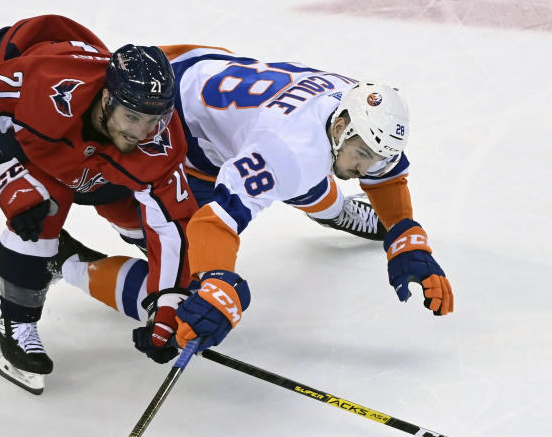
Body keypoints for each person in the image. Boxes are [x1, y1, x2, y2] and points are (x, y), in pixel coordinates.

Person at [52, 44, 453, 359]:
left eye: (374, 159)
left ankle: (337, 211)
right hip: (173, 125)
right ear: (342, 127)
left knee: (309, 178)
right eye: (363, 157)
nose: (369, 170)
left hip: (205, 69)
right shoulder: (289, 152)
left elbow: (385, 173)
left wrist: (403, 233)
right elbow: (214, 223)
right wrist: (216, 282)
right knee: (178, 291)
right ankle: (64, 260)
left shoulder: (356, 109)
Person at [0, 15, 198, 393]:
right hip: (34, 132)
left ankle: (76, 259)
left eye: (154, 120)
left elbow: (173, 225)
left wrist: (168, 302)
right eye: (133, 117)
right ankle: (15, 325)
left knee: (138, 216)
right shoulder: (41, 83)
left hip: (92, 149)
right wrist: (6, 183)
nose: (142, 133)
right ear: (108, 99)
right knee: (39, 209)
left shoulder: (160, 140)